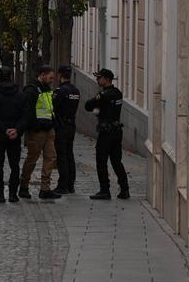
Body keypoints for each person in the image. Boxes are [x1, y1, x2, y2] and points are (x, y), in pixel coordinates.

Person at [0, 66, 28, 203]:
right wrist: (17, 130)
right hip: (15, 136)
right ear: (11, 76)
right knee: (14, 165)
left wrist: (3, 129)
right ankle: (13, 194)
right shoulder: (20, 94)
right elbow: (26, 115)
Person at [86, 68, 131, 200]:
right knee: (117, 162)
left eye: (99, 77)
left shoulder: (104, 95)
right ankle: (125, 189)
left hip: (106, 133)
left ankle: (104, 190)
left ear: (106, 79)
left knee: (101, 161)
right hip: (117, 131)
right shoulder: (118, 93)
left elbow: (88, 105)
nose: (97, 80)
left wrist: (98, 104)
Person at [19, 65, 61, 200]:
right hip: (37, 132)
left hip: (48, 130)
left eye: (53, 78)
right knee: (32, 159)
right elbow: (28, 111)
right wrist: (35, 127)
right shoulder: (32, 90)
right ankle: (24, 187)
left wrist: (53, 124)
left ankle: (45, 188)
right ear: (42, 75)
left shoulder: (48, 90)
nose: (51, 80)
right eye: (50, 77)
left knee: (51, 158)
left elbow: (50, 109)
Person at [53, 65, 81, 194]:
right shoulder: (75, 91)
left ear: (60, 75)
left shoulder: (60, 91)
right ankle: (71, 185)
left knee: (62, 156)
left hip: (61, 126)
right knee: (70, 154)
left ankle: (62, 185)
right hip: (71, 125)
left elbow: (54, 107)